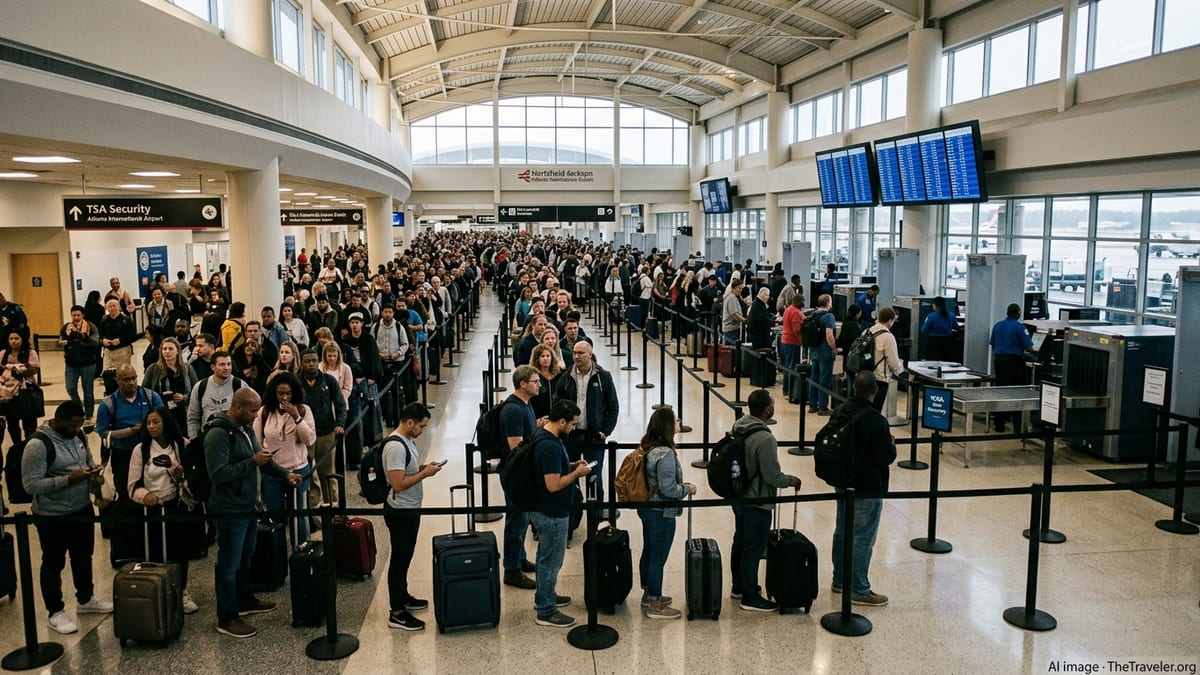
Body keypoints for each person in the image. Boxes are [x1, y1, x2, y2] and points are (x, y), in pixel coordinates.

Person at [206, 387, 300, 638]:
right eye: (251, 410)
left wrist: (284, 474)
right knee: (228, 563)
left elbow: (262, 458)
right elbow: (218, 474)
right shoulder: (218, 434)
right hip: (230, 509)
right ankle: (226, 616)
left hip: (249, 505)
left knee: (246, 557)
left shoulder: (245, 428)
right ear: (236, 407)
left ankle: (244, 599)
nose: (255, 414)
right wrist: (252, 462)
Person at [21, 401, 112, 635]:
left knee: (83, 556)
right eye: (72, 426)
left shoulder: (79, 435)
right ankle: (55, 611)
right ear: (58, 421)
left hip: (81, 509)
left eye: (79, 425)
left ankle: (85, 598)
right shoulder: (38, 445)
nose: (76, 429)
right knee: (54, 562)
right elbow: (31, 485)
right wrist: (70, 479)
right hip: (52, 515)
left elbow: (87, 460)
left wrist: (93, 470)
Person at [728, 389, 802, 612]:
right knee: (753, 547)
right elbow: (772, 476)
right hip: (757, 500)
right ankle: (750, 595)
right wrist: (792, 480)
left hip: (738, 495)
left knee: (740, 541)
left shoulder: (739, 426)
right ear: (768, 409)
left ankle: (739, 586)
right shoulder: (765, 438)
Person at [830, 372, 896, 607]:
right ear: (874, 391)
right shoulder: (875, 420)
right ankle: (859, 588)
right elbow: (886, 456)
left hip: (843, 481)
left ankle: (839, 579)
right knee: (862, 537)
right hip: (867, 486)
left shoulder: (840, 411)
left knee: (842, 530)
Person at [127, 407, 201, 614]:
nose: (151, 427)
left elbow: (192, 477)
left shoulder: (182, 445)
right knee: (155, 551)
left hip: (177, 505)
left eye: (156, 422)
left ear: (166, 423)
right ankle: (155, 591)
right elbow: (132, 485)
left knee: (180, 551)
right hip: (152, 509)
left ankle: (181, 590)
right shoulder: (140, 450)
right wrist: (146, 496)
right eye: (148, 423)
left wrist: (180, 477)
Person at [530, 399, 591, 628]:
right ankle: (546, 610)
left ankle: (544, 596)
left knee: (545, 557)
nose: (573, 428)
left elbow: (553, 469)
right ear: (562, 421)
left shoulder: (544, 436)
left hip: (542, 508)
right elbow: (553, 484)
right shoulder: (550, 447)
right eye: (572, 424)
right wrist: (577, 474)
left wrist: (573, 464)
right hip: (551, 511)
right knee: (551, 561)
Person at [381, 402, 443, 631]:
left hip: (410, 507)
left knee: (405, 557)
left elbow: (407, 469)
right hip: (401, 511)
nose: (423, 430)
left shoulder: (408, 441)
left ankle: (403, 595)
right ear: (409, 422)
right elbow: (397, 484)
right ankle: (396, 612)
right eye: (421, 426)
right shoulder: (396, 447)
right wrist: (424, 474)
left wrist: (424, 467)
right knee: (399, 559)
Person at [553, 340, 619, 531]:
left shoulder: (603, 377)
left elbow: (613, 406)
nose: (576, 356)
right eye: (574, 353)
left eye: (581, 353)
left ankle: (597, 518)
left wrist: (605, 430)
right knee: (569, 476)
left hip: (593, 438)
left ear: (590, 354)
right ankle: (572, 517)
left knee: (594, 477)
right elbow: (558, 405)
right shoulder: (566, 377)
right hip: (570, 438)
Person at [637, 407, 694, 620]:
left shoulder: (648, 447)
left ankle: (648, 593)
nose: (680, 422)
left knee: (649, 551)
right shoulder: (666, 454)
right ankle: (656, 604)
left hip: (647, 508)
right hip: (661, 511)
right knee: (658, 559)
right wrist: (688, 488)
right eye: (676, 420)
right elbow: (668, 489)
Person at [252, 372, 316, 543]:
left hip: (298, 469)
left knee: (299, 515)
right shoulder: (264, 412)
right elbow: (256, 441)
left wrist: (297, 417)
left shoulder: (304, 410)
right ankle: (277, 555)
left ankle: (302, 550)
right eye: (281, 393)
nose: (285, 397)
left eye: (288, 393)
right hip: (272, 472)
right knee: (276, 516)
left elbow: (310, 439)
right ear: (274, 393)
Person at [499, 365, 542, 590]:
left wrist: (537, 427)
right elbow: (515, 446)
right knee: (516, 521)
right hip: (516, 473)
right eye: (535, 381)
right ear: (523, 384)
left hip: (523, 471)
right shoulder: (513, 410)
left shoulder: (526, 405)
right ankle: (512, 570)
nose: (539, 385)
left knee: (522, 519)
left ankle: (520, 557)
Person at [96, 364, 164, 503]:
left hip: (149, 451)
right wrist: (129, 431)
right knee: (126, 494)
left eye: (134, 378)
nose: (131, 382)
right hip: (123, 454)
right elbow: (103, 433)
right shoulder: (108, 404)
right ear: (117, 381)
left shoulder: (151, 396)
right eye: (126, 379)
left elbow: (164, 420)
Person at [298, 348, 346, 512]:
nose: (311, 364)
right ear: (301, 363)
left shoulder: (328, 381)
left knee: (327, 473)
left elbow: (340, 404)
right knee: (309, 474)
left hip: (326, 433)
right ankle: (313, 512)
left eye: (313, 360)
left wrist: (340, 423)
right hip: (304, 437)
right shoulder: (297, 383)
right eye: (307, 361)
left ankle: (333, 509)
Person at [989, 303, 1036, 432]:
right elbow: (1029, 347)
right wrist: (1036, 352)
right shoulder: (1020, 328)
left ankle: (999, 424)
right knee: (1016, 392)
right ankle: (1017, 426)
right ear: (1018, 313)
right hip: (1014, 363)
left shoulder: (997, 325)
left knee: (1001, 390)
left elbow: (992, 342)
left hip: (999, 361)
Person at [142, 336, 199, 433]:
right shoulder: (153, 369)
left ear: (177, 351)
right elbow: (144, 391)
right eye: (164, 349)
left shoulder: (187, 369)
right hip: (162, 412)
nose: (167, 352)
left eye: (170, 349)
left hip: (183, 413)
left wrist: (184, 397)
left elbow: (196, 390)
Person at [186, 351, 245, 438]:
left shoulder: (240, 386)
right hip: (207, 439)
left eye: (229, 364)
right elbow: (193, 418)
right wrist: (194, 440)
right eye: (222, 364)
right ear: (213, 367)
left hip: (234, 439)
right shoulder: (200, 387)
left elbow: (249, 417)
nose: (226, 368)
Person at [59, 305, 100, 423]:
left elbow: (96, 342)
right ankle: (78, 408)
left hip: (88, 363)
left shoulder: (91, 327)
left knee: (88, 390)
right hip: (71, 364)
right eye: (74, 315)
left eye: (78, 315)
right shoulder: (66, 327)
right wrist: (62, 342)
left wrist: (84, 337)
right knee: (70, 388)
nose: (76, 317)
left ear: (83, 315)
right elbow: (61, 339)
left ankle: (88, 415)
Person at [1, 331, 42, 445]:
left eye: (16, 338)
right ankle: (17, 447)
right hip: (8, 394)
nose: (13, 341)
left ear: (22, 339)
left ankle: (29, 446)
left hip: (26, 392)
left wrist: (16, 370)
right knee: (12, 423)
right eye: (11, 339)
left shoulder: (31, 353)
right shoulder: (3, 353)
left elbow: (34, 369)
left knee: (29, 423)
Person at [868, 307, 906, 413]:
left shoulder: (867, 331)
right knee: (876, 410)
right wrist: (899, 372)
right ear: (890, 321)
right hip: (880, 377)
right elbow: (893, 361)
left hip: (865, 375)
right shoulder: (888, 337)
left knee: (865, 408)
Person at [808, 294, 837, 416]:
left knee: (814, 378)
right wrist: (834, 348)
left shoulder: (813, 314)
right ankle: (823, 407)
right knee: (824, 379)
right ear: (828, 303)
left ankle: (812, 405)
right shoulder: (829, 316)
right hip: (825, 351)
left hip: (814, 350)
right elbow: (829, 335)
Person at [99, 299, 137, 389]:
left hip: (122, 351)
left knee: (123, 374)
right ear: (107, 308)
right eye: (110, 306)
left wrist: (120, 340)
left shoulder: (126, 320)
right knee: (107, 374)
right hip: (108, 351)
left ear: (119, 307)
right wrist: (103, 341)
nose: (112, 308)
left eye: (114, 306)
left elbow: (133, 336)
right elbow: (100, 335)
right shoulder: (104, 320)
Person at [780, 294, 805, 404]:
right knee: (792, 367)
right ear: (799, 302)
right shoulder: (795, 312)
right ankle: (789, 391)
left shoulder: (789, 309)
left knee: (787, 365)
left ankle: (786, 390)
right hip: (792, 342)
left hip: (785, 341)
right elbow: (796, 330)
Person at [529, 343, 563, 419]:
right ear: (537, 359)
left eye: (548, 356)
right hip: (539, 415)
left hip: (558, 415)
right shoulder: (533, 375)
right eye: (542, 356)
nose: (546, 358)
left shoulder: (560, 374)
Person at [920, 296, 958, 362]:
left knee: (932, 362)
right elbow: (956, 327)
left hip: (933, 342)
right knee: (946, 362)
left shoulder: (931, 316)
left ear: (935, 305)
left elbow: (923, 330)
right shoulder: (952, 315)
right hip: (947, 342)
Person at [721, 278, 747, 345]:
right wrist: (745, 320)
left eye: (741, 288)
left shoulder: (734, 297)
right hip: (731, 329)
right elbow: (734, 313)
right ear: (733, 288)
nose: (741, 290)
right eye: (739, 288)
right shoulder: (731, 298)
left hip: (733, 328)